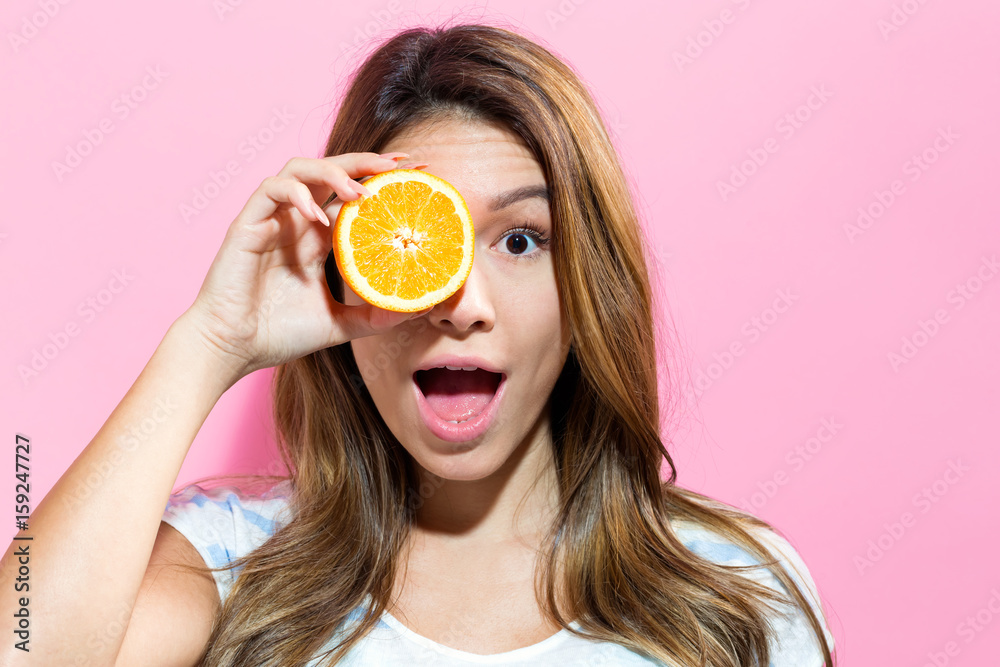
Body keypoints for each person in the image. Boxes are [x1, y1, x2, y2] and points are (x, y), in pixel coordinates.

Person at [0, 22, 836, 666]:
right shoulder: (231, 562)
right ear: (344, 272)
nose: (461, 305)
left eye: (521, 240)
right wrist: (208, 343)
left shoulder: (733, 592)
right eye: (414, 244)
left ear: (588, 286)